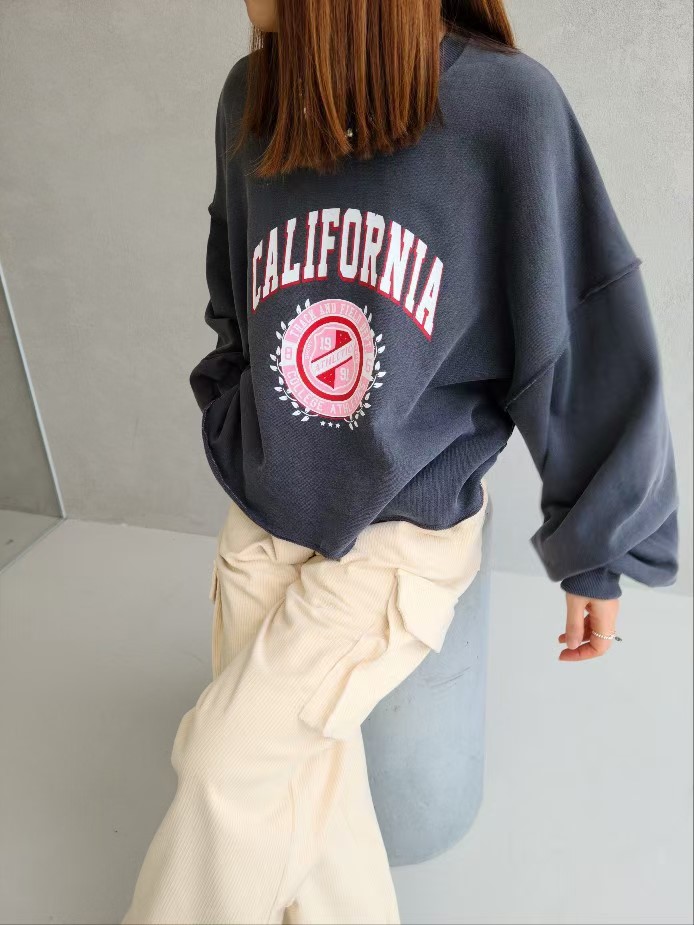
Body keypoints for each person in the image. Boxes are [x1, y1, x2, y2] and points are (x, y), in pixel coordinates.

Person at [121, 1, 679, 922]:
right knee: (308, 803)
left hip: (399, 536)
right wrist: (235, 418)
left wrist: (598, 548)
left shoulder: (507, 109)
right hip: (265, 516)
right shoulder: (251, 96)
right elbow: (234, 294)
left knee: (223, 767)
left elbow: (579, 329)